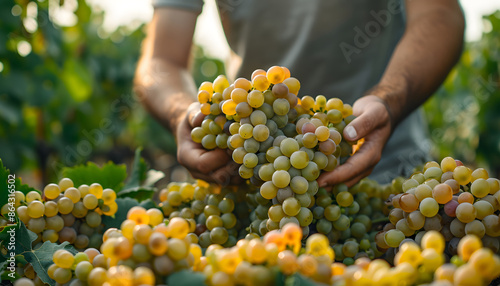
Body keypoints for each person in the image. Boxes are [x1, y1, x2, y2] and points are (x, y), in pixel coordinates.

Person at [134, 0, 465, 187]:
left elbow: (440, 13)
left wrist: (388, 100)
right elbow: (162, 60)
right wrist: (182, 112)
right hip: (252, 180)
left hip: (389, 182)